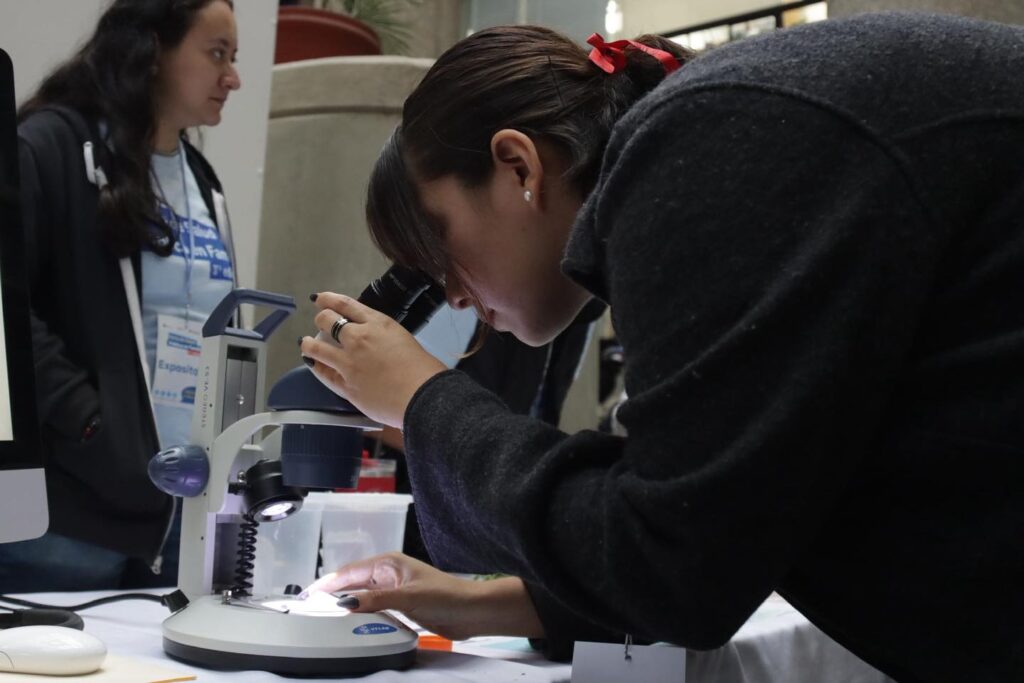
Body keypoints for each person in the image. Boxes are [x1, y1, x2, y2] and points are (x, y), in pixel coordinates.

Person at [299, 12, 1024, 682]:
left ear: (518, 166)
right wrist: (477, 603)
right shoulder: (723, 137)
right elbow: (722, 523)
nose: (454, 298)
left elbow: (676, 565)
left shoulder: (704, 143)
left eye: (441, 248)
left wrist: (424, 400)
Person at [0, 0, 241, 592]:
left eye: (233, 58)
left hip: (177, 518)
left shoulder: (203, 182)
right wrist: (88, 422)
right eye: (217, 54)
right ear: (153, 50)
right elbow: (7, 311)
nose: (232, 77)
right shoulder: (49, 147)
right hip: (66, 526)